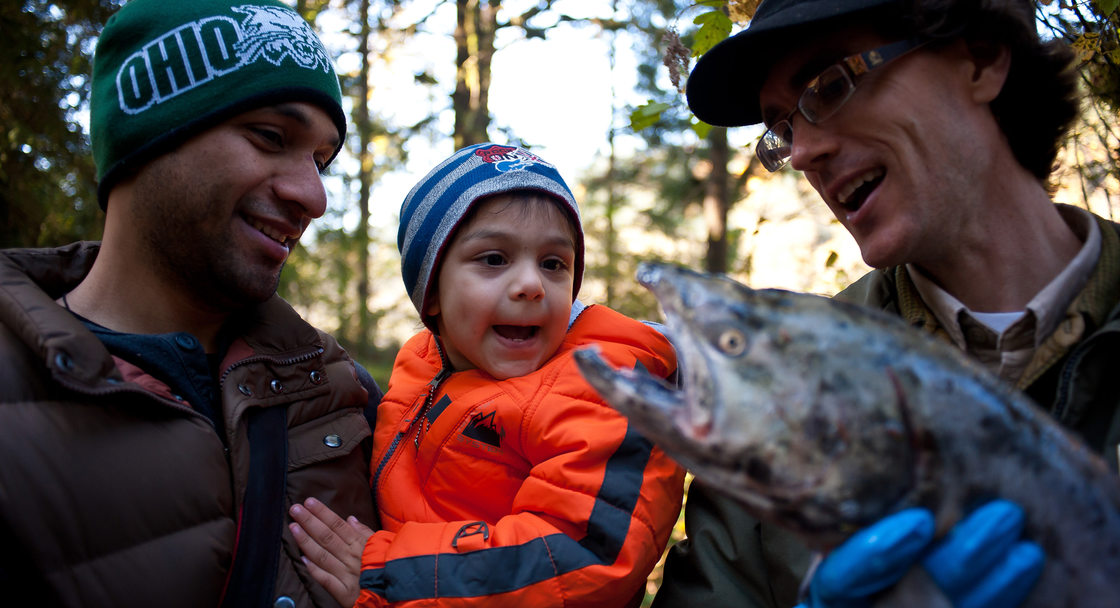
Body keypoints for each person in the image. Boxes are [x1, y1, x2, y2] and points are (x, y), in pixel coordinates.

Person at [652, 0, 1120, 607]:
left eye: (832, 84)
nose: (800, 153)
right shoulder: (780, 393)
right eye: (783, 129)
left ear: (980, 59)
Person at [0, 1, 380, 606]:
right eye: (270, 136)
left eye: (320, 159)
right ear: (147, 133)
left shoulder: (344, 393)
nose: (313, 195)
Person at [287, 142, 686, 607]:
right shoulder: (421, 361)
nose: (532, 285)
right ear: (430, 293)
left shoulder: (604, 390)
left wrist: (389, 573)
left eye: (554, 264)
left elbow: (586, 553)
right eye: (494, 259)